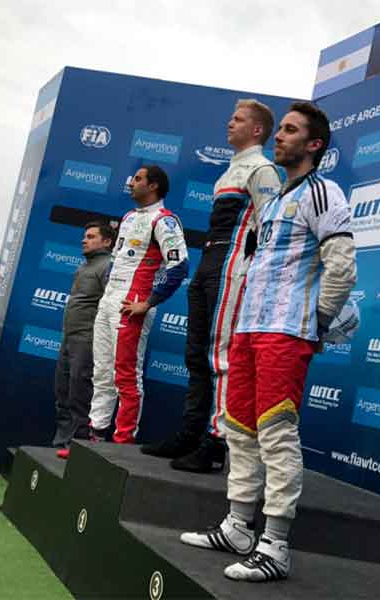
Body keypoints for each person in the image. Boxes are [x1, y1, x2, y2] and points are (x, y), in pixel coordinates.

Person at [180, 102, 358, 582]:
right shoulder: (276, 198)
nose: (280, 136)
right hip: (248, 328)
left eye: (291, 131)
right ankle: (239, 526)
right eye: (279, 129)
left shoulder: (324, 193)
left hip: (284, 333)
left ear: (314, 145)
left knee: (276, 432)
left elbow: (341, 267)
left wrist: (313, 323)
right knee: (239, 429)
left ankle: (275, 544)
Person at [141, 99, 282, 472]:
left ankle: (218, 444)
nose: (228, 123)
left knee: (221, 355)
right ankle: (191, 434)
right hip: (208, 263)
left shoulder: (264, 170)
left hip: (233, 267)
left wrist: (253, 272)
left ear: (256, 130)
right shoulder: (228, 173)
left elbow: (271, 229)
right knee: (196, 354)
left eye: (237, 120)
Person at [88, 165, 189, 444]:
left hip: (132, 303)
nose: (131, 182)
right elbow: (117, 260)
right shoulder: (129, 216)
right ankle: (94, 440)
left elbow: (179, 267)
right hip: (109, 300)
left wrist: (148, 302)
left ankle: (122, 446)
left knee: (126, 376)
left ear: (153, 186)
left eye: (138, 179)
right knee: (102, 372)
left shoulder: (165, 220)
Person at [53, 222, 115, 459]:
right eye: (84, 236)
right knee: (62, 392)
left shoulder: (108, 266)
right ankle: (61, 443)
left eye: (90, 236)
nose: (84, 240)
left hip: (88, 340)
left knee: (80, 393)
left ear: (107, 242)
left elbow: (110, 306)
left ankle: (77, 447)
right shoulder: (83, 267)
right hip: (69, 337)